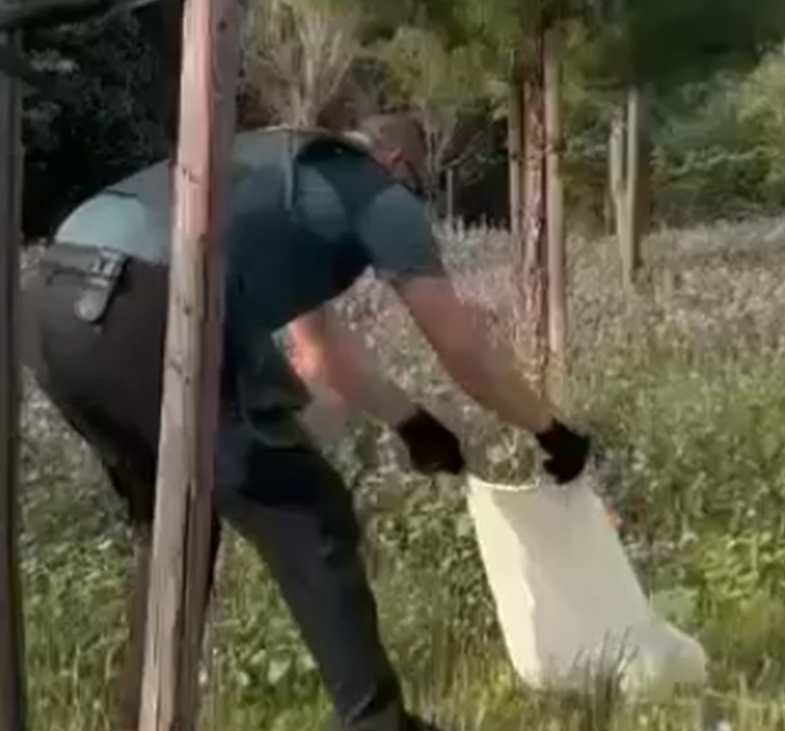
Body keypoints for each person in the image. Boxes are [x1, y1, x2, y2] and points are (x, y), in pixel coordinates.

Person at [19, 113, 592, 731]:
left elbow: (319, 349)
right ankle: (377, 722)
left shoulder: (282, 172)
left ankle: (142, 722)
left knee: (178, 527)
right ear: (400, 165)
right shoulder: (375, 191)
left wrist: (412, 422)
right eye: (416, 190)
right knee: (307, 506)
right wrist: (550, 430)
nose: (412, 206)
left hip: (49, 310)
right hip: (148, 301)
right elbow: (463, 348)